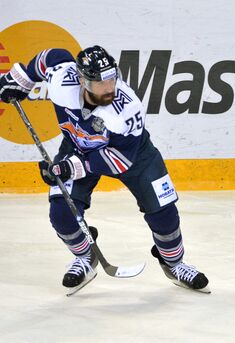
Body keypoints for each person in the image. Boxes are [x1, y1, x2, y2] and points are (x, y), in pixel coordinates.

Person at [0, 46, 209, 292]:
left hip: (134, 154)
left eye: (112, 79)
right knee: (61, 216)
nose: (109, 88)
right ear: (82, 80)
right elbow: (52, 57)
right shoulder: (62, 81)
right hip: (77, 146)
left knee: (164, 214)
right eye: (100, 83)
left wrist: (72, 168)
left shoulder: (126, 108)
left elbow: (120, 159)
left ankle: (174, 263)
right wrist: (22, 78)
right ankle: (86, 257)